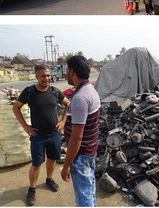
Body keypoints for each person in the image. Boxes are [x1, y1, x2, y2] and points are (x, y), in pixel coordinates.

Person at [13, 64, 70, 206]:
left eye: (48, 75)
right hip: (38, 136)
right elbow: (16, 107)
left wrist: (63, 121)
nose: (47, 78)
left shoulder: (55, 92)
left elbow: (69, 104)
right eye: (43, 76)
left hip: (54, 135)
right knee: (37, 164)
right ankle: (32, 188)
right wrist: (25, 126)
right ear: (36, 76)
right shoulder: (30, 91)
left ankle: (49, 179)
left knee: (52, 160)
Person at [61, 56, 100, 207]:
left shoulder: (79, 98)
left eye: (67, 70)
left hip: (81, 155)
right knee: (89, 190)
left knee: (84, 197)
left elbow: (77, 138)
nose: (66, 73)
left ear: (71, 71)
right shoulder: (91, 90)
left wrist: (66, 166)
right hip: (89, 151)